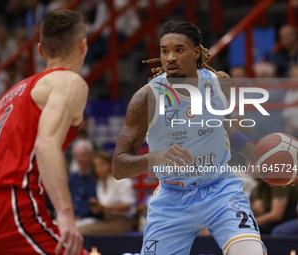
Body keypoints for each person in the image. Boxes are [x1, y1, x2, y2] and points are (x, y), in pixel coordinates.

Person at [112, 21, 268, 255]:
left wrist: (258, 158)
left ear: (197, 52)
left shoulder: (219, 82)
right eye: (164, 51)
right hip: (173, 197)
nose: (170, 57)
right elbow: (118, 166)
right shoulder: (146, 98)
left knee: (250, 252)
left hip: (220, 188)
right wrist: (156, 157)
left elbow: (226, 129)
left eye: (179, 49)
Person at [0, 9, 89, 255]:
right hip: (14, 212)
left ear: (40, 50)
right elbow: (46, 143)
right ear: (82, 47)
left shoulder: (10, 96)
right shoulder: (70, 81)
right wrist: (65, 215)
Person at [78, 150, 135, 234]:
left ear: (110, 164)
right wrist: (98, 207)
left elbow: (127, 206)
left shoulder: (122, 180)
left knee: (84, 232)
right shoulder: (100, 183)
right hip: (106, 219)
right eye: (95, 166)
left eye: (101, 164)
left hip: (122, 221)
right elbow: (104, 208)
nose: (99, 169)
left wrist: (106, 208)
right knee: (78, 229)